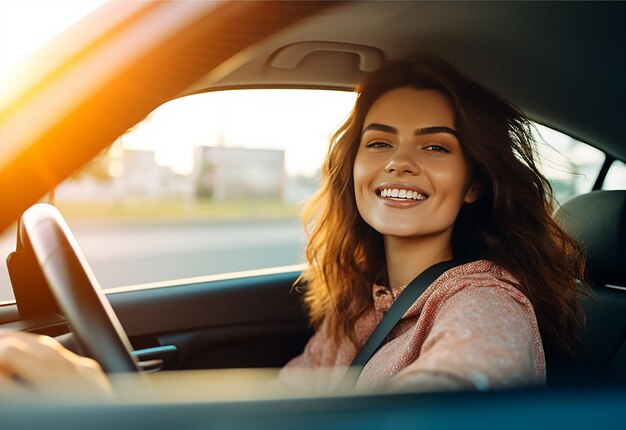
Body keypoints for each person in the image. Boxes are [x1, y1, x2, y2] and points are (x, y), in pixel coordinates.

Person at [0, 55, 584, 396]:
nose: (398, 162)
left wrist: (113, 414)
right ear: (354, 168)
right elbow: (286, 400)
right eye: (378, 142)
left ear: (475, 182)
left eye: (434, 147)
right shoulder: (364, 301)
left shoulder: (486, 300)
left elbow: (442, 413)